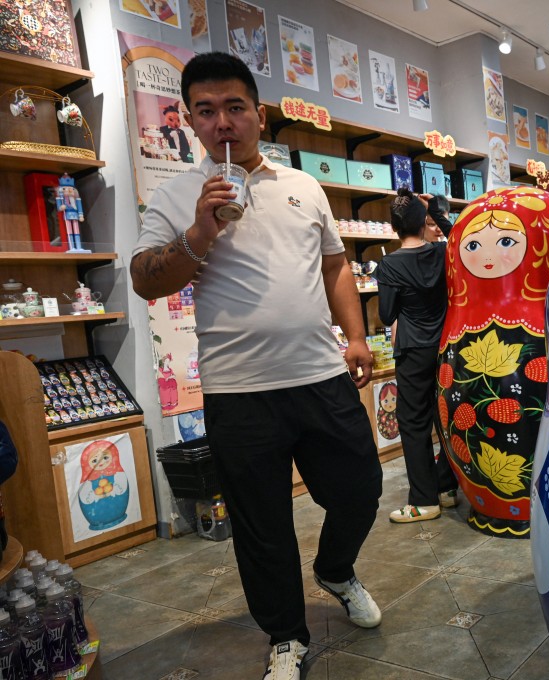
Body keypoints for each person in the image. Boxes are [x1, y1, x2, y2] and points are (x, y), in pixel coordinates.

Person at [130, 52, 382, 680]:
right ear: (189, 120)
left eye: (234, 107)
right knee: (262, 525)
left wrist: (355, 336)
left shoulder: (303, 186)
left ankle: (334, 569)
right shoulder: (176, 194)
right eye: (206, 111)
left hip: (320, 375)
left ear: (258, 115)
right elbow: (143, 281)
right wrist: (198, 234)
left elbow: (333, 264)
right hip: (238, 391)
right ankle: (286, 637)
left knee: (360, 490)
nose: (222, 123)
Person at [376, 189, 459, 522]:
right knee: (446, 419)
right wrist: (436, 210)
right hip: (445, 347)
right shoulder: (443, 252)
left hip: (411, 350)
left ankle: (424, 501)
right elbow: (460, 238)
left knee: (413, 424)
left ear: (394, 227)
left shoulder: (389, 263)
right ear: (423, 223)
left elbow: (386, 314)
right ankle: (446, 486)